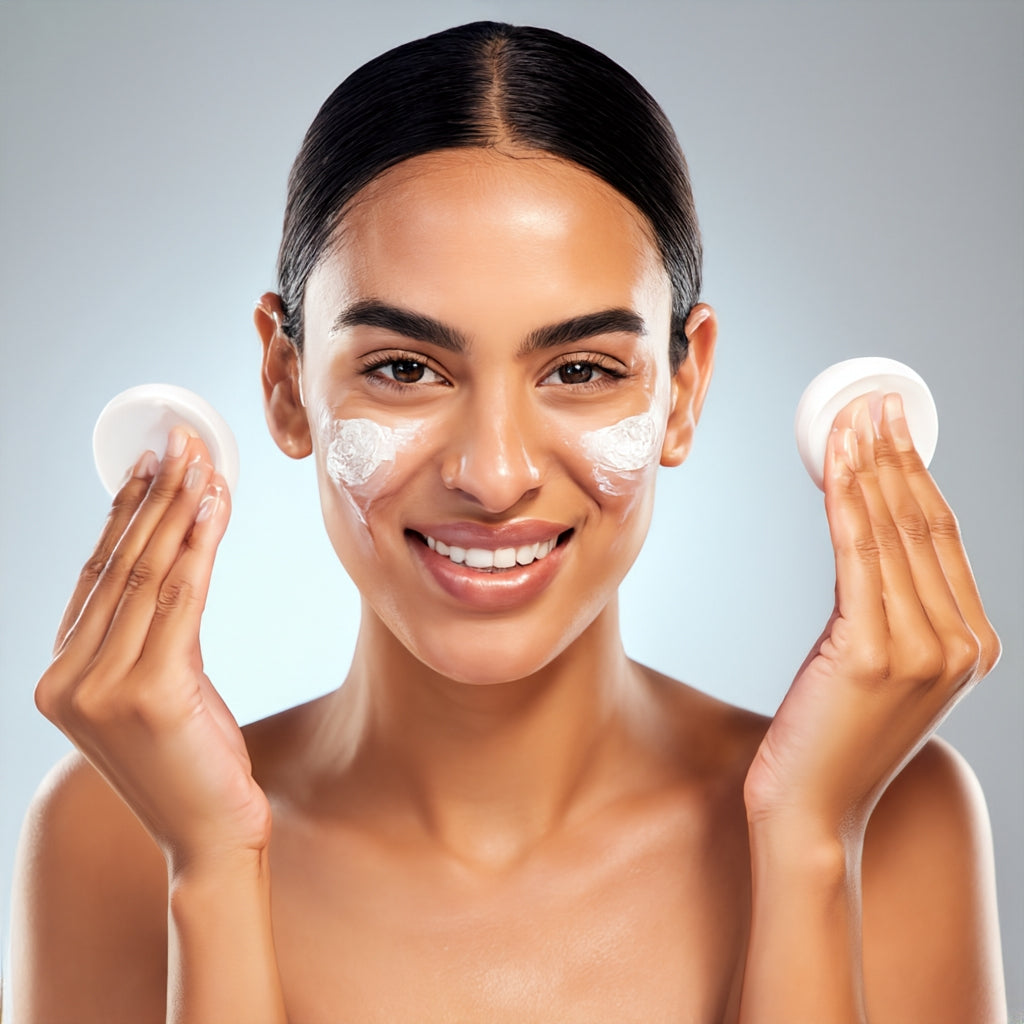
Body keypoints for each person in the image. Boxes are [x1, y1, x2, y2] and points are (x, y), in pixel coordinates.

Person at [11, 21, 1005, 1023]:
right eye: (404, 369)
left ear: (683, 389)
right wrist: (213, 868)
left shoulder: (897, 817)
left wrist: (806, 844)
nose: (493, 476)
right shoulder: (116, 832)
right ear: (285, 381)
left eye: (579, 371)